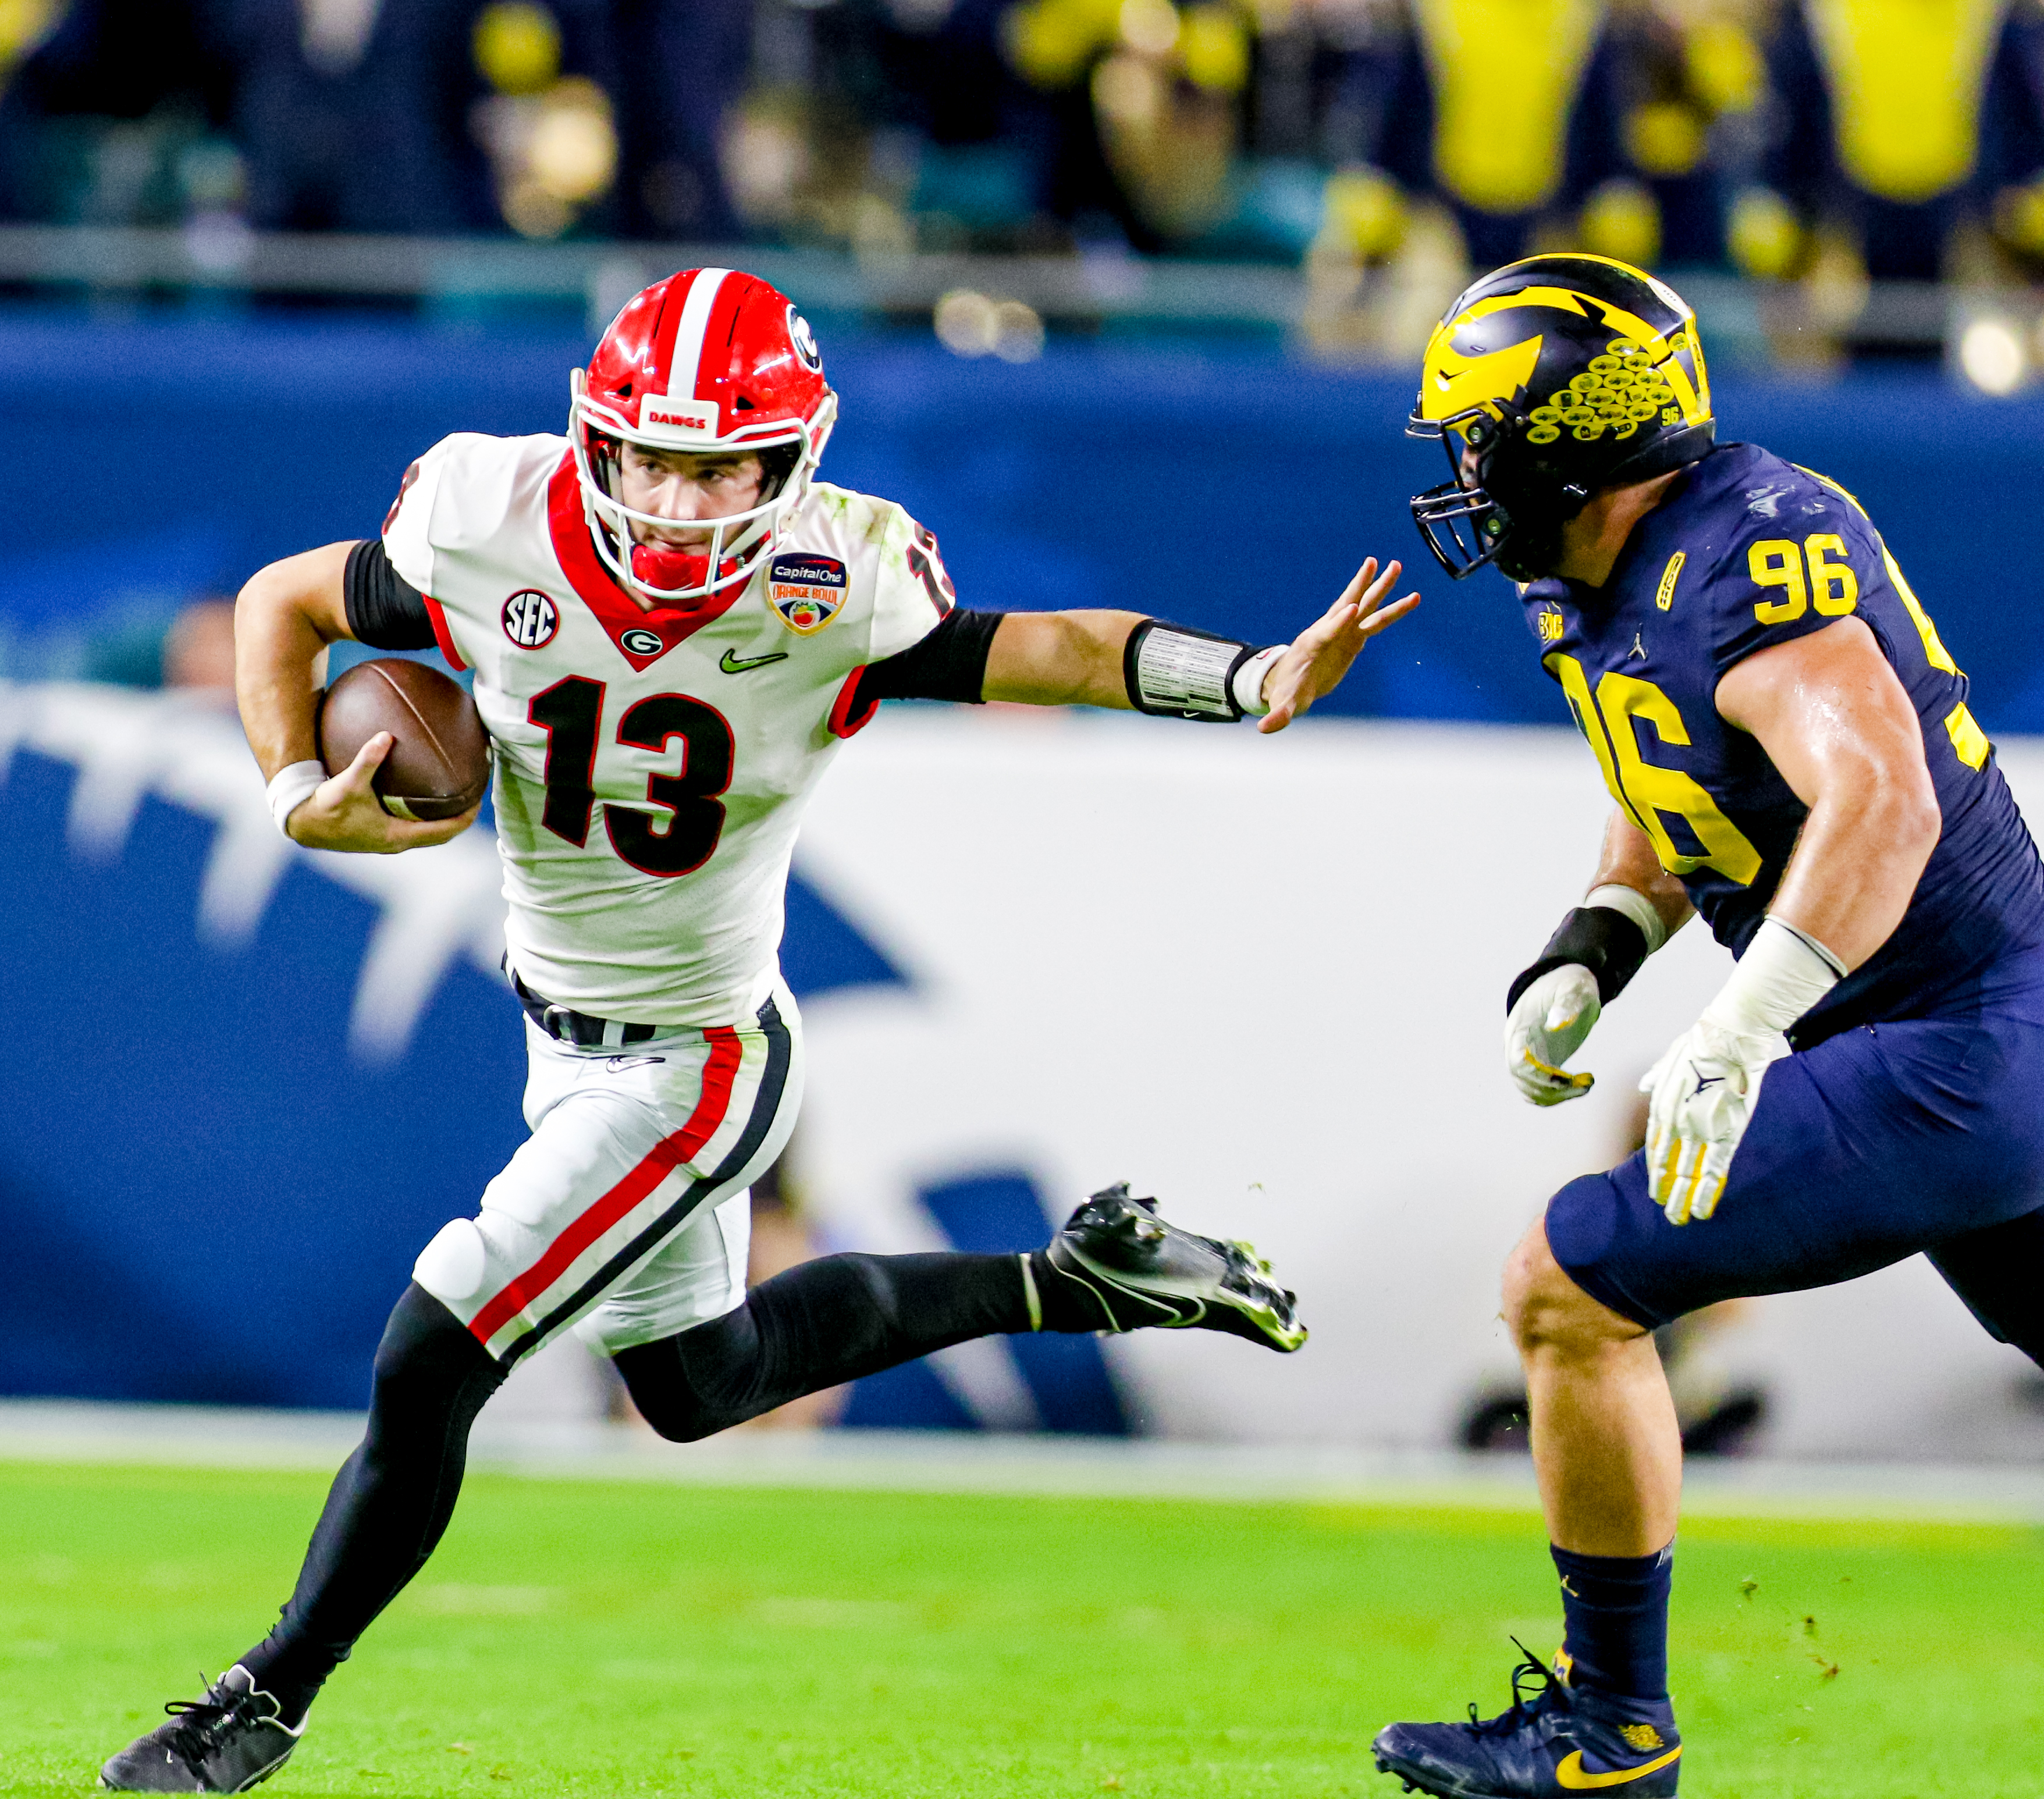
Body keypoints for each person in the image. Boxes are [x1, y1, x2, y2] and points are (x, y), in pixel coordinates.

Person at [97, 266, 1418, 1792]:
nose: (675, 496)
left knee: (432, 1346)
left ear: (786, 458)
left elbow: (1047, 646)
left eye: (721, 461)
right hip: (562, 1031)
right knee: (695, 1382)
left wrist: (1242, 674)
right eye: (652, 454)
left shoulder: (831, 577)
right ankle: (1073, 1278)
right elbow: (282, 599)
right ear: (594, 435)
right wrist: (286, 793)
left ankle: (258, 1697)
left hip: (696, 1056)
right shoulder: (484, 514)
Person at [1372, 254, 2044, 1798]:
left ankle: (1607, 1729)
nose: (1463, 473)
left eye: (1477, 436)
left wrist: (1739, 1021)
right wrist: (1591, 945)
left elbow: (1868, 795)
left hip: (1960, 1039)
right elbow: (1674, 788)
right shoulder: (1595, 572)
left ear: (1566, 433)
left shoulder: (1751, 543)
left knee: (1567, 1280)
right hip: (1940, 1040)